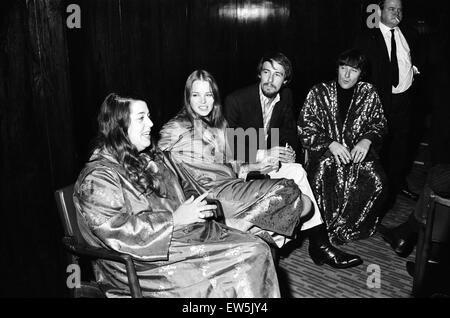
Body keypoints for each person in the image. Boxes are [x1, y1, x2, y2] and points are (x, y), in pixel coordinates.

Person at [72, 93, 281, 298]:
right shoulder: (97, 178)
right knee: (251, 253)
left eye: (149, 115)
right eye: (142, 118)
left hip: (172, 241)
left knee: (258, 245)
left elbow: (182, 189)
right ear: (119, 128)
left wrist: (200, 209)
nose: (152, 123)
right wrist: (174, 219)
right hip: (140, 267)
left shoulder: (143, 159)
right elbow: (118, 231)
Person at [159, 69, 362, 269]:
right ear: (188, 97)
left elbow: (232, 163)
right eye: (196, 95)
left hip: (234, 184)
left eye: (208, 95)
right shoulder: (177, 128)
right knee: (296, 197)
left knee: (299, 185)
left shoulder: (218, 124)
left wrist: (259, 164)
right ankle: (252, 232)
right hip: (213, 196)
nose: (203, 101)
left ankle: (259, 232)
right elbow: (156, 162)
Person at [298, 48, 387, 244]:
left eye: (353, 70)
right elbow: (305, 126)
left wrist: (367, 139)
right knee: (323, 172)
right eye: (343, 68)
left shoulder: (369, 92)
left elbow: (379, 122)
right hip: (325, 154)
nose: (346, 75)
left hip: (358, 154)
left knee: (377, 179)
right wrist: (330, 144)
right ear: (337, 68)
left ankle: (350, 227)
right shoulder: (318, 91)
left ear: (361, 73)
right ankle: (323, 227)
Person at [354, 0, 422, 207]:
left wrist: (414, 70)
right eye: (392, 9)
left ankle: (397, 185)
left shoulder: (409, 34)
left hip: (404, 99)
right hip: (380, 101)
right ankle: (375, 191)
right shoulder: (368, 38)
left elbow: (416, 57)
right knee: (378, 147)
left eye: (400, 9)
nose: (397, 13)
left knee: (402, 145)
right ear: (380, 11)